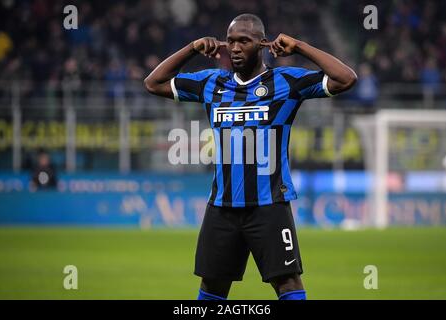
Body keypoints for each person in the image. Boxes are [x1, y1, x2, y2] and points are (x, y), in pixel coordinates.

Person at [144, 14, 356, 300]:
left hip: (269, 205)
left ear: (262, 44)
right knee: (212, 287)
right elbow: (153, 83)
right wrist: (192, 48)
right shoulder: (211, 83)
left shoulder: (286, 82)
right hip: (222, 205)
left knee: (288, 283)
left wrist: (300, 46)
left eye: (244, 41)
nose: (234, 48)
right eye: (230, 41)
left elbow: (346, 79)